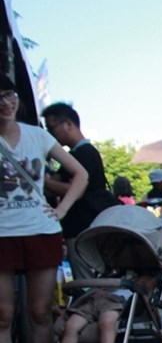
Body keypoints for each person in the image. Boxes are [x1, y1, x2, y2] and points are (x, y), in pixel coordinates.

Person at [0, 74, 88, 343]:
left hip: (40, 230)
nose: (6, 102)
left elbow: (80, 174)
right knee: (3, 315)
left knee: (39, 312)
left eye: (9, 95)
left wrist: (61, 211)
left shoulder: (37, 135)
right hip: (2, 234)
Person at [41, 102, 118, 280]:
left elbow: (76, 190)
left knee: (88, 283)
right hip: (87, 226)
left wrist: (42, 181)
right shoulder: (82, 153)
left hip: (83, 228)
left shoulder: (83, 154)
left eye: (52, 128)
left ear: (68, 124)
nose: (50, 134)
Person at [44, 274, 156, 343]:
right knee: (70, 325)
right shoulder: (120, 280)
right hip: (94, 299)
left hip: (114, 303)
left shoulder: (132, 293)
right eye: (140, 280)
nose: (141, 282)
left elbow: (147, 292)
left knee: (107, 323)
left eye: (144, 282)